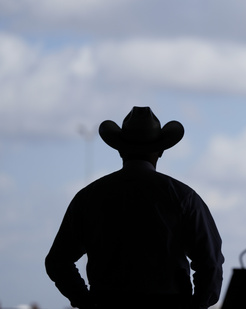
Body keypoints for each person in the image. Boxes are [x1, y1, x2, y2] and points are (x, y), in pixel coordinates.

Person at [46, 106, 224, 309]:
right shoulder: (183, 197)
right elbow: (210, 262)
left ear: (120, 150)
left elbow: (57, 262)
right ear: (161, 151)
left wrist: (86, 302)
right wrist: (197, 305)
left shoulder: (89, 197)